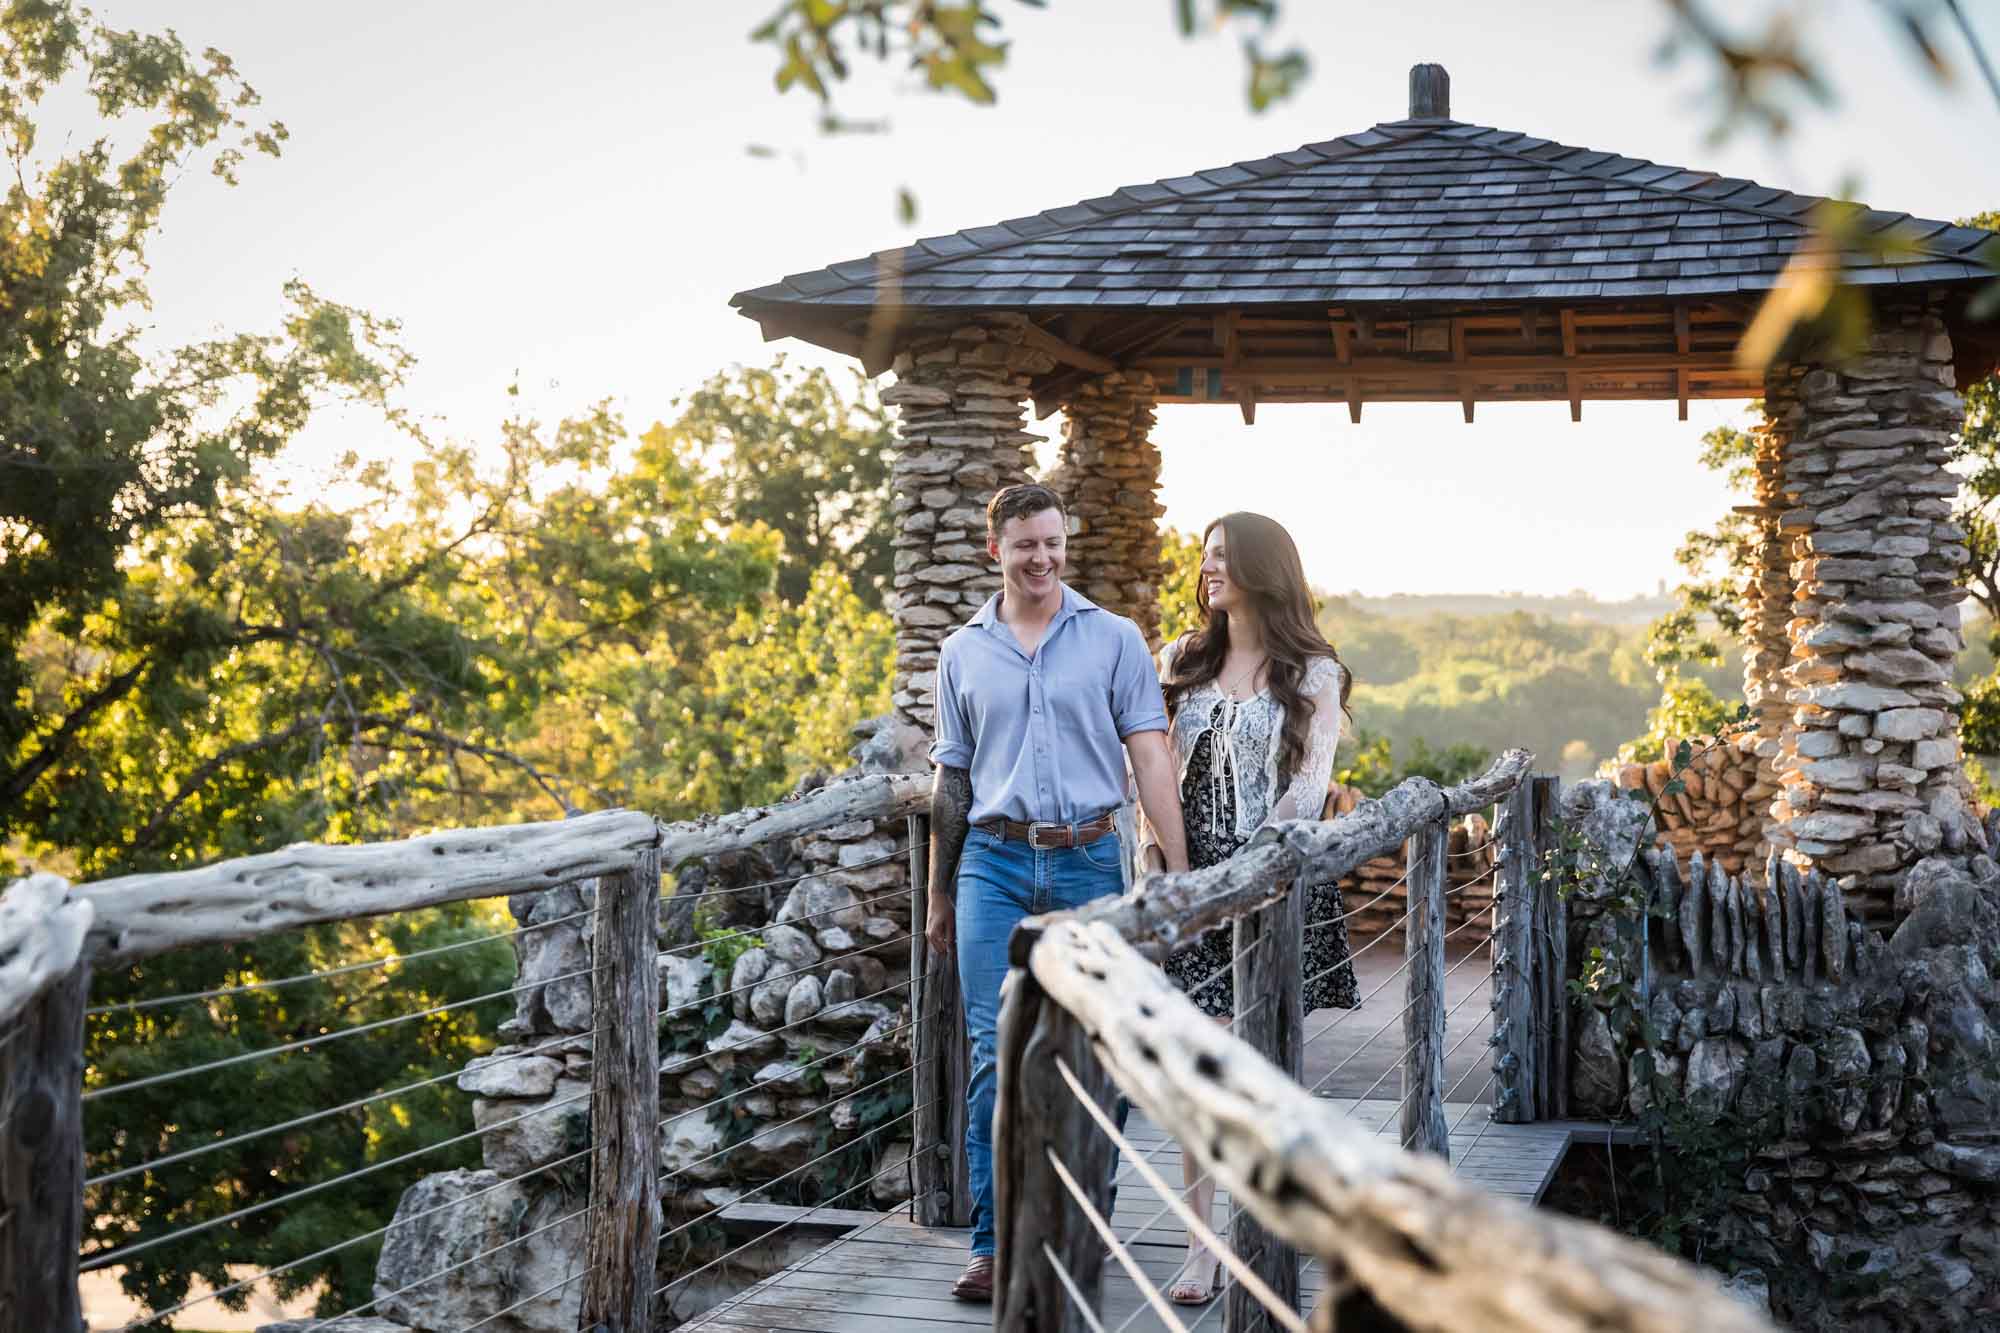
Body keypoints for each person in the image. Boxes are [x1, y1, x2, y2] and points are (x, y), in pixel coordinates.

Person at [925, 482, 1191, 1304]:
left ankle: (1086, 1225)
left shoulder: (1113, 639)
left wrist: (1174, 879)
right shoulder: (961, 651)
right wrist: (939, 892)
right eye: (1025, 544)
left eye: (1053, 542)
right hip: (993, 868)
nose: (1042, 558)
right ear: (993, 551)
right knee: (992, 1059)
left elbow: (1149, 758)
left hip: (1087, 867)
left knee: (1095, 1052)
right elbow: (952, 780)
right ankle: (994, 1245)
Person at [1141, 511, 1360, 1305]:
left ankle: (1263, 1232)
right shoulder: (1182, 659)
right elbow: (1152, 769)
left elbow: (1308, 787)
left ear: (1266, 568)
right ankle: (1202, 1247)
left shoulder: (1313, 672)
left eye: (1225, 557)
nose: (1209, 570)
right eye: (1205, 557)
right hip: (1187, 879)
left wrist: (1251, 871)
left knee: (1256, 1072)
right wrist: (1166, 864)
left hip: (1270, 879)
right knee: (1197, 1071)